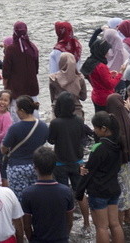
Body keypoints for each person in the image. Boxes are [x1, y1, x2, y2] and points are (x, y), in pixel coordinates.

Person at [47, 91, 90, 227]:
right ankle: (87, 223)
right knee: (80, 193)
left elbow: (51, 140)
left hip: (60, 163)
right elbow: (84, 138)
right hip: (77, 162)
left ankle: (67, 225)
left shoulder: (55, 123)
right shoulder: (79, 121)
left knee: (63, 194)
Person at [83, 112, 124, 243]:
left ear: (103, 129)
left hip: (99, 191)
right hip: (114, 188)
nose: (94, 130)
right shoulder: (119, 144)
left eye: (95, 128)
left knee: (101, 227)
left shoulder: (98, 147)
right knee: (115, 223)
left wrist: (82, 171)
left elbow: (90, 169)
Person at [20, 146, 74, 243]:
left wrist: (31, 239)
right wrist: (64, 237)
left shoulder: (28, 193)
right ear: (54, 166)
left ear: (35, 167)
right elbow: (69, 222)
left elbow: (27, 226)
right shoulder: (66, 191)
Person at [2, 96, 49, 197]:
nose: (16, 111)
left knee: (20, 200)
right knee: (36, 197)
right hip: (37, 166)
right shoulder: (43, 126)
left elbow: (4, 148)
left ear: (22, 110)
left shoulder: (15, 128)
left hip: (17, 167)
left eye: (17, 109)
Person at [105, 94, 130, 224]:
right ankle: (128, 218)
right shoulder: (127, 118)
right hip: (128, 160)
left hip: (117, 163)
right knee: (127, 188)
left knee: (118, 193)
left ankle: (118, 222)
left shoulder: (112, 123)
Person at [2, 22, 40, 115]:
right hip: (32, 88)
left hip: (16, 90)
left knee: (17, 117)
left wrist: (5, 87)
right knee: (33, 115)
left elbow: (6, 72)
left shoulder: (11, 50)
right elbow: (36, 69)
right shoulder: (32, 47)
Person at [82, 39, 121, 113]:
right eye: (106, 50)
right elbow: (111, 84)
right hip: (105, 98)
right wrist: (120, 73)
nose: (108, 52)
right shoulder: (101, 66)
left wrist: (108, 74)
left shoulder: (90, 61)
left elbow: (89, 75)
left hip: (96, 95)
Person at [49, 52, 87, 119]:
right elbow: (83, 97)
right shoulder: (80, 78)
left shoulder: (53, 78)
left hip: (57, 112)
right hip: (76, 111)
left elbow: (52, 97)